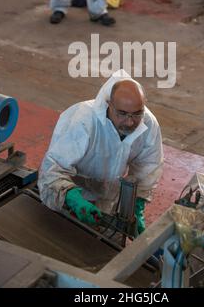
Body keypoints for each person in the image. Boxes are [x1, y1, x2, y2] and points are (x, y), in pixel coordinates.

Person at [38, 70, 164, 235]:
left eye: (137, 114)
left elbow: (148, 165)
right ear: (108, 104)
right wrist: (70, 197)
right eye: (122, 113)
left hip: (108, 198)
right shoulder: (82, 120)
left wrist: (137, 204)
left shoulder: (148, 123)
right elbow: (52, 169)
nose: (130, 121)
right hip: (74, 197)